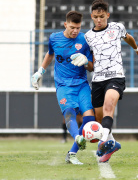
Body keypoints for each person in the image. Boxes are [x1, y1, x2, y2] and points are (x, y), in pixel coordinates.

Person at [31, 11, 96, 165]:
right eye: (72, 27)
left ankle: (72, 154)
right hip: (63, 85)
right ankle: (77, 138)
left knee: (89, 120)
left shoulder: (85, 40)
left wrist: (86, 61)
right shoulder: (54, 38)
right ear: (66, 24)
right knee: (69, 113)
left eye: (78, 28)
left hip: (81, 84)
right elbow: (50, 54)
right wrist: (40, 71)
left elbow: (91, 68)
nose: (75, 31)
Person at [84, 0, 138, 163]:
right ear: (91, 16)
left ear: (107, 15)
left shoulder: (117, 27)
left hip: (116, 76)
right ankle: (112, 143)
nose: (98, 20)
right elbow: (90, 64)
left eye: (102, 16)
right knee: (99, 117)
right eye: (96, 17)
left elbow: (128, 37)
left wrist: (136, 48)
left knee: (108, 106)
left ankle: (103, 142)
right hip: (97, 79)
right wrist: (84, 62)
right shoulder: (88, 37)